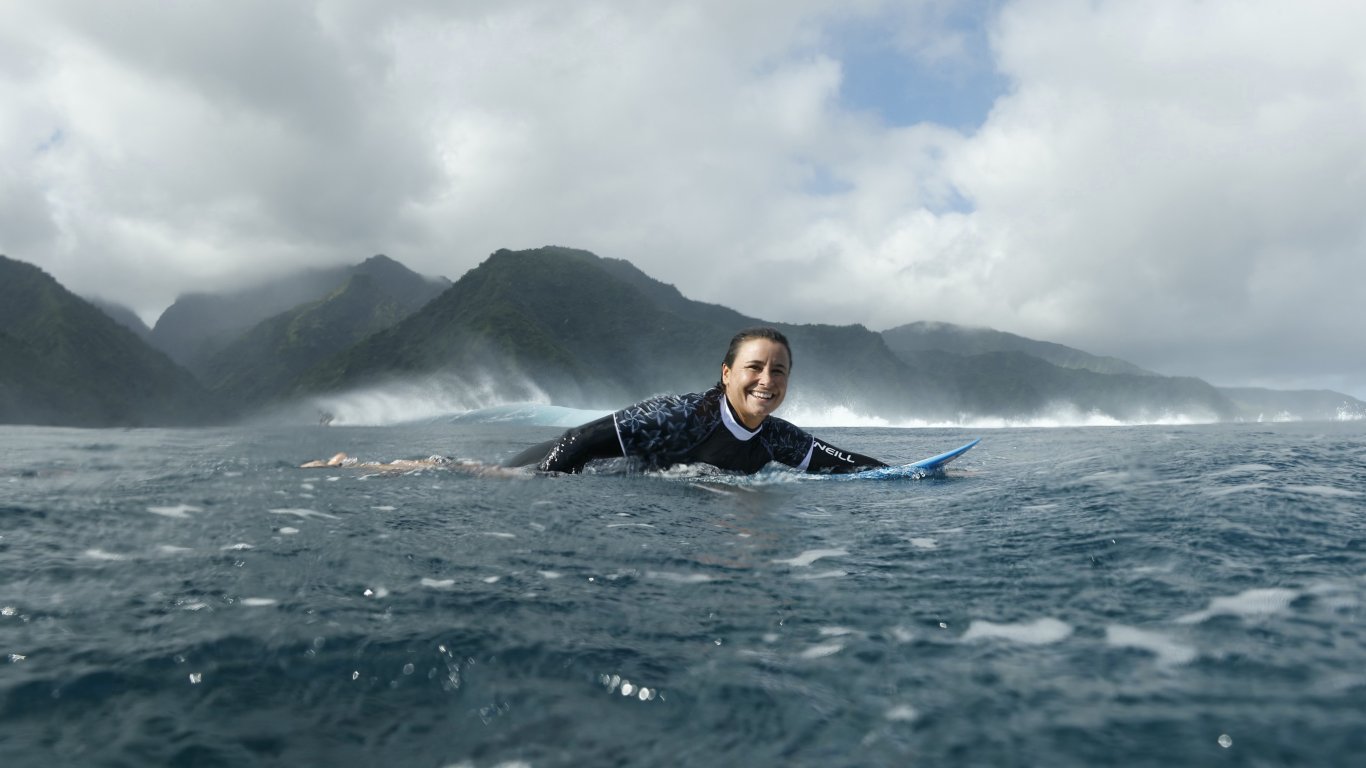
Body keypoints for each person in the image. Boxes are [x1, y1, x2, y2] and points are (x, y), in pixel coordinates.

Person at [504, 326, 887, 475]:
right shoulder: (681, 417)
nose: (766, 381)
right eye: (754, 367)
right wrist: (523, 481)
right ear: (726, 374)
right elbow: (580, 441)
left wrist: (908, 472)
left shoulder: (779, 438)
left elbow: (848, 464)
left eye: (779, 370)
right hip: (540, 463)